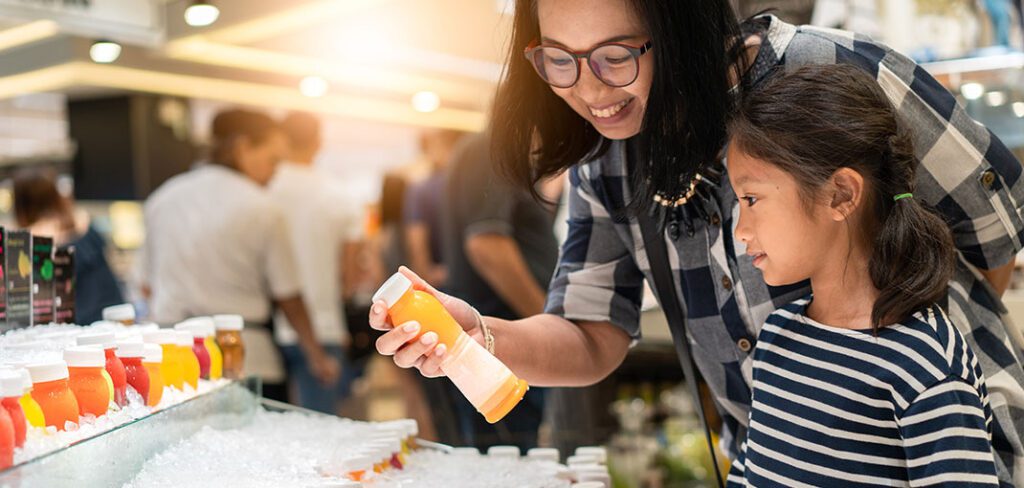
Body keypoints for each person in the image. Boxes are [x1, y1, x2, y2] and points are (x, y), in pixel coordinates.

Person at [372, 1, 1024, 485]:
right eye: (559, 61)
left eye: (616, 54)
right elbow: (591, 332)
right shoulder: (611, 154)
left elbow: (993, 233)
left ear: (682, 28)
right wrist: (476, 335)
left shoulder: (831, 75)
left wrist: (912, 340)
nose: (591, 90)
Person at [725, 64, 998, 486]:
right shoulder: (777, 336)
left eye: (752, 198)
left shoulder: (925, 366)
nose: (740, 229)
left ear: (841, 195)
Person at [138, 108, 338, 391]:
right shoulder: (263, 208)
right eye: (273, 161)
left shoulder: (163, 198)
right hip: (247, 360)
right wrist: (317, 356)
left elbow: (146, 287)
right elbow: (289, 297)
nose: (274, 174)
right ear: (243, 148)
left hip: (173, 361)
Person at [430, 131, 560, 449]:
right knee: (506, 457)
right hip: (501, 339)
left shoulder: (491, 152)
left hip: (504, 336)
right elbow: (486, 244)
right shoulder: (492, 148)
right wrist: (549, 323)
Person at [269, 111, 361, 414]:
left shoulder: (263, 189)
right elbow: (350, 275)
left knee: (265, 435)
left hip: (266, 328)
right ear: (319, 142)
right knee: (320, 431)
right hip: (324, 327)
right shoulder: (339, 195)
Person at [12, 167, 123, 324]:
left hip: (73, 331)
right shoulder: (84, 223)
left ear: (21, 203)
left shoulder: (27, 243)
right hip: (113, 316)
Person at [403, 130, 464, 288]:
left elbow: (416, 242)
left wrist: (425, 275)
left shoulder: (420, 189)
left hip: (440, 283)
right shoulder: (469, 188)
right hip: (470, 282)